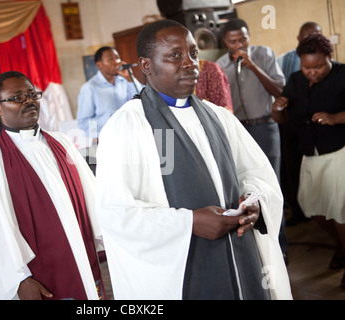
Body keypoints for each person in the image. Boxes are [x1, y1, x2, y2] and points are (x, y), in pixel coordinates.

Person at [96, 20, 292, 300]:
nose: (189, 63)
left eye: (193, 53)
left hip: (242, 256)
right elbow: (115, 213)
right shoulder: (127, 126)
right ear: (146, 65)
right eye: (175, 55)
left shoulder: (219, 117)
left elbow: (257, 173)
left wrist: (255, 203)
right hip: (185, 273)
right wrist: (189, 222)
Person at [0, 71, 105, 300]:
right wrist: (19, 279)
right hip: (40, 273)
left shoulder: (62, 142)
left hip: (83, 253)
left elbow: (92, 196)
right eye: (18, 97)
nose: (29, 101)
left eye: (32, 94)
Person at [272, 34, 345, 288]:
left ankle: (344, 252)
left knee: (340, 211)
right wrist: (277, 109)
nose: (312, 73)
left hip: (338, 151)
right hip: (310, 152)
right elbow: (282, 120)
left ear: (330, 58)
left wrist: (335, 118)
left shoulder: (342, 75)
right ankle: (342, 245)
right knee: (311, 205)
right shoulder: (295, 80)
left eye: (318, 67)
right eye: (307, 67)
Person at [216, 18, 288, 262]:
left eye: (243, 39)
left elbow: (279, 91)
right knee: (247, 188)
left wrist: (254, 66)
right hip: (238, 132)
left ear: (249, 36)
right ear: (225, 41)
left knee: (271, 185)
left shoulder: (264, 54)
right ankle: (258, 247)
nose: (239, 45)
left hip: (265, 126)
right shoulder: (220, 66)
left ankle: (280, 246)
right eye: (233, 41)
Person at [277, 22, 322, 225]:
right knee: (293, 169)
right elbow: (281, 91)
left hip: (317, 125)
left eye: (317, 35)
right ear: (298, 38)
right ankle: (299, 211)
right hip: (291, 124)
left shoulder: (330, 64)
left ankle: (320, 211)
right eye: (308, 36)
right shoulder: (285, 61)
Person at [77, 46, 143, 140]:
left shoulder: (124, 81)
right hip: (109, 140)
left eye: (117, 57)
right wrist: (110, 119)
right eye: (111, 59)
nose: (116, 62)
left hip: (133, 136)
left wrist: (130, 78)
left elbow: (142, 99)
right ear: (99, 65)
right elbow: (83, 123)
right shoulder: (90, 88)